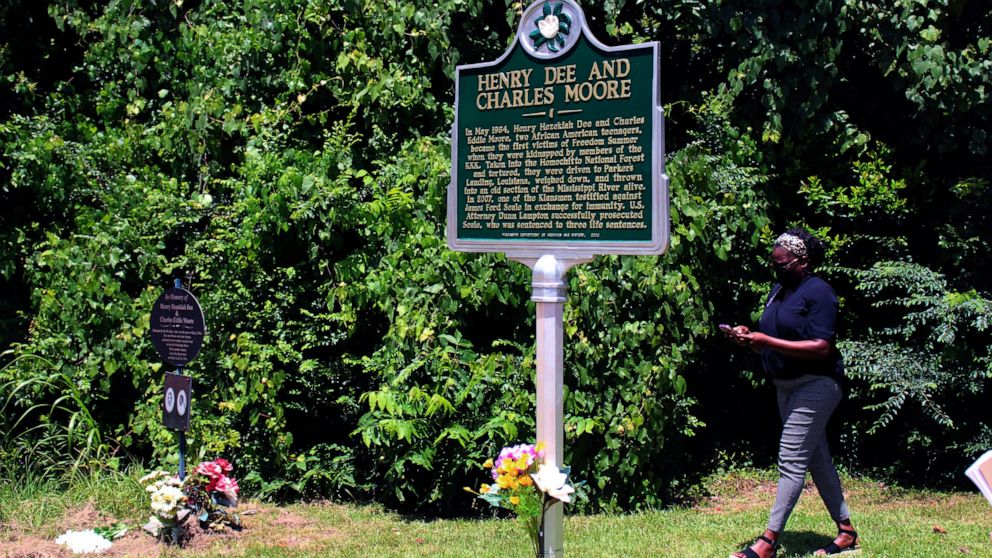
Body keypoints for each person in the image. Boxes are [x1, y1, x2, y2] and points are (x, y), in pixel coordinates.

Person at [725, 228, 860, 558]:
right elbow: (776, 340)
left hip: (817, 384)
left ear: (802, 261)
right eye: (773, 262)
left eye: (782, 263)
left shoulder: (819, 292)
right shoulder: (778, 290)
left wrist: (766, 341)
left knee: (791, 460)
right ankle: (846, 532)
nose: (777, 268)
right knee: (817, 459)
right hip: (785, 386)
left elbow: (821, 347)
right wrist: (750, 339)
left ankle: (768, 542)